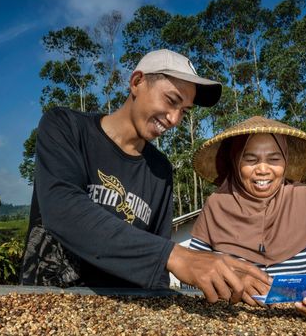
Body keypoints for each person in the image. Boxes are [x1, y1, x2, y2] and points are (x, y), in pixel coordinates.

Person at [20, 49, 269, 304]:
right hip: (47, 301)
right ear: (137, 82)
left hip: (119, 310)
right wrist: (176, 256)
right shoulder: (66, 126)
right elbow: (63, 209)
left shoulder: (160, 170)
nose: (174, 119)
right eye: (171, 100)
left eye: (184, 111)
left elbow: (156, 258)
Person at [189, 116, 306, 318]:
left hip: (298, 315)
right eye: (250, 159)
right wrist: (230, 280)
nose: (263, 170)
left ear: (285, 162)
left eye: (274, 159)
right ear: (236, 161)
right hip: (230, 319)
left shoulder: (303, 198)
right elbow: (193, 271)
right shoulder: (216, 203)